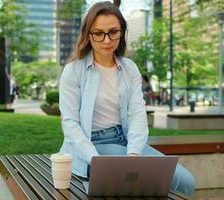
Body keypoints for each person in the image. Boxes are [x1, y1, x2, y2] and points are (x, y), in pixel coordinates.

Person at [58, 1, 195, 197]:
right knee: (140, 185)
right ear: (88, 35)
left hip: (126, 141)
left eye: (113, 32)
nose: (106, 40)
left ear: (121, 33)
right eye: (98, 33)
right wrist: (94, 159)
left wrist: (133, 154)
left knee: (187, 182)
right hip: (91, 144)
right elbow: (70, 124)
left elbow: (138, 114)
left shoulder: (129, 68)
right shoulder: (73, 71)